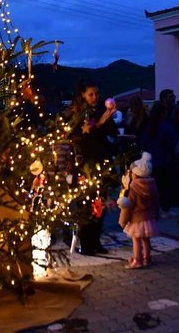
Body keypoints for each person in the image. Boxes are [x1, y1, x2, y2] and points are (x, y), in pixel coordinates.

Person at [67, 81, 117, 255]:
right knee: (87, 205)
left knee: (100, 204)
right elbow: (83, 137)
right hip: (86, 165)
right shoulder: (79, 114)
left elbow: (112, 134)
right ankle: (87, 243)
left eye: (96, 93)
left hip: (102, 162)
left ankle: (95, 241)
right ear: (83, 95)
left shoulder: (101, 111)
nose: (95, 97)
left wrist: (108, 120)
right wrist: (101, 122)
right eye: (91, 94)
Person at [118, 152, 159, 269]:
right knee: (146, 239)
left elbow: (128, 206)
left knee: (136, 240)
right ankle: (147, 258)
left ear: (136, 174)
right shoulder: (152, 185)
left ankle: (137, 260)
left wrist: (123, 220)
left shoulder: (133, 188)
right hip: (149, 218)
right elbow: (156, 202)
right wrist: (156, 215)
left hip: (137, 219)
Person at [140, 104, 179, 217]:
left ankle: (154, 209)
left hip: (151, 161)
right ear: (163, 114)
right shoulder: (167, 127)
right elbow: (175, 144)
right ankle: (165, 209)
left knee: (154, 187)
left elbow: (143, 143)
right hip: (165, 160)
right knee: (165, 187)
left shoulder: (149, 128)